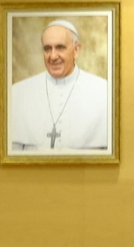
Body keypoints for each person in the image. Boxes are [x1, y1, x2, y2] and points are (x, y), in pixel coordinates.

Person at [7, 19, 110, 153]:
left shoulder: (103, 92)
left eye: (60, 47)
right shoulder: (18, 92)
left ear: (76, 50)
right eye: (47, 48)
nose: (53, 56)